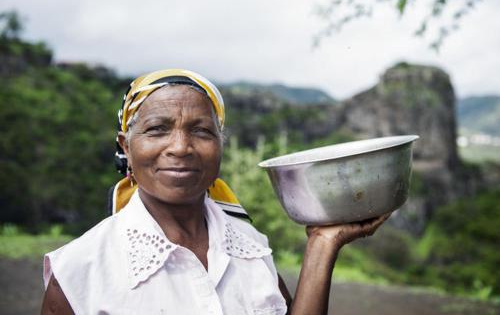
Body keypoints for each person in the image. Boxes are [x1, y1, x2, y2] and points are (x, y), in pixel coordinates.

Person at [41, 69, 390, 314]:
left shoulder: (249, 247)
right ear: (126, 148)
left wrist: (322, 244)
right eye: (157, 129)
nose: (180, 147)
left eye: (202, 132)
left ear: (221, 147)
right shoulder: (78, 272)